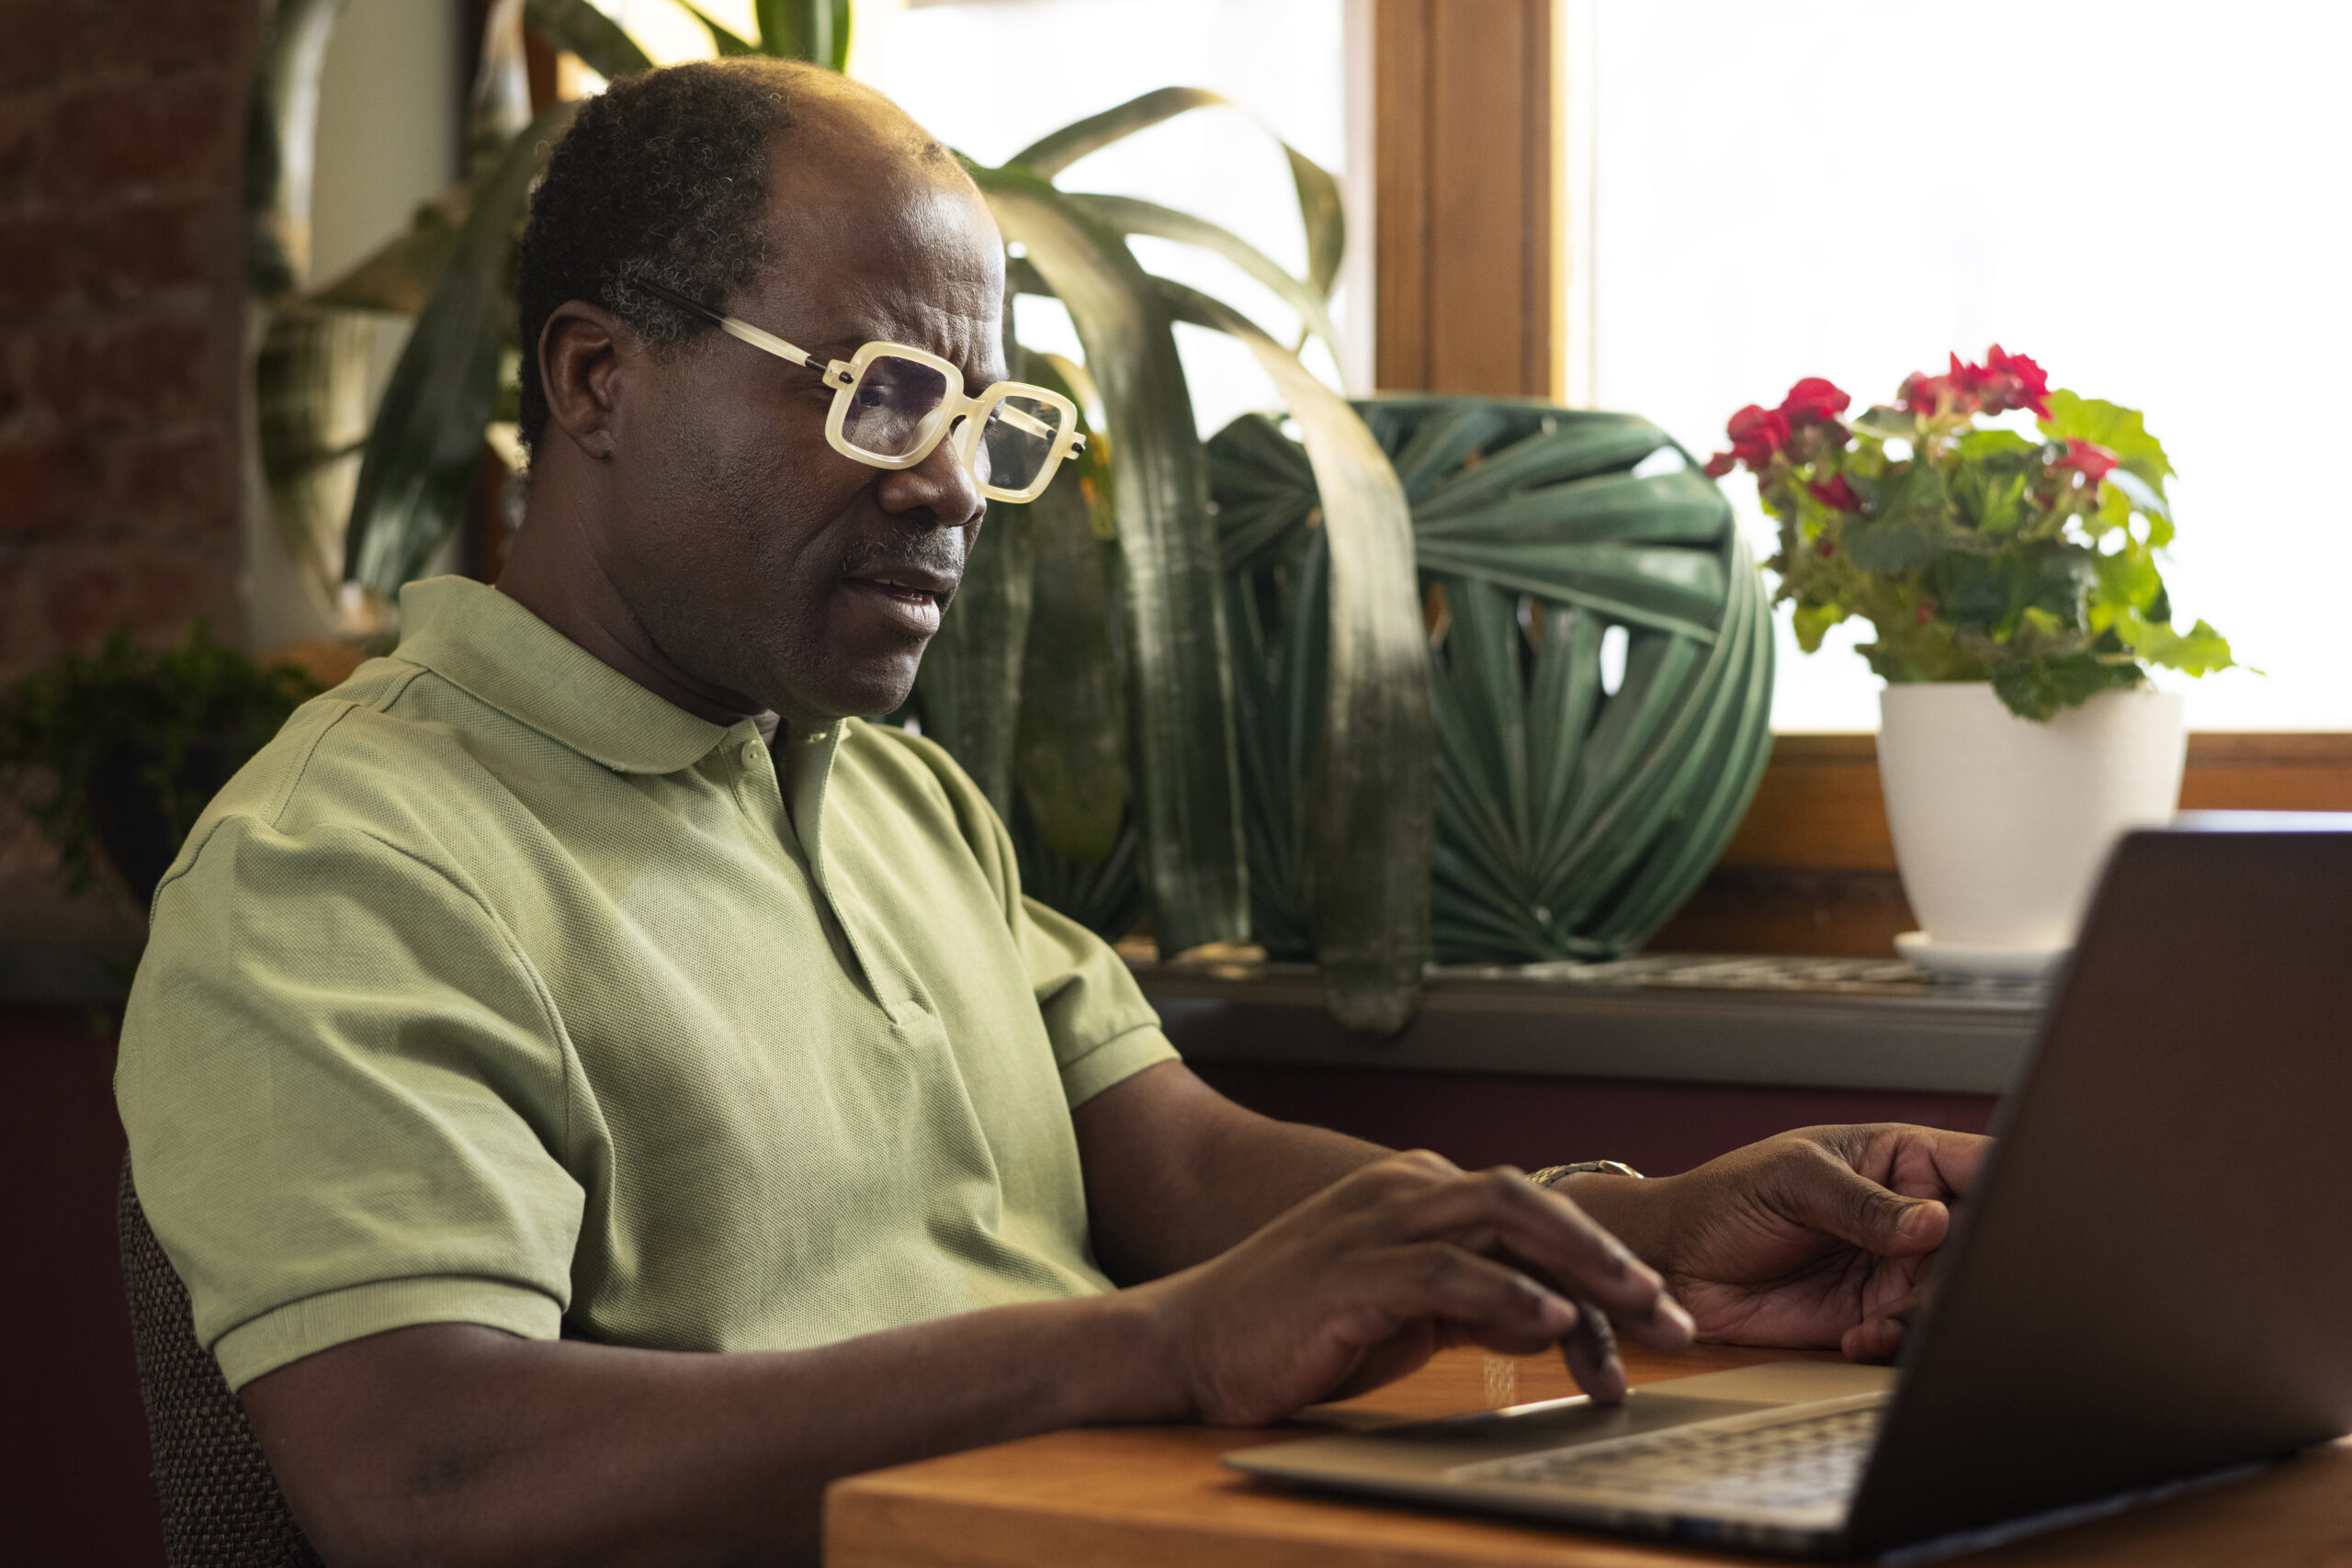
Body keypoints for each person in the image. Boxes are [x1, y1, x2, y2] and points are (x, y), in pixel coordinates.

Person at [116, 59, 1984, 1568]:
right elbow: (429, 1476)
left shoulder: (890, 792)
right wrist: (1154, 1345)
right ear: (598, 379)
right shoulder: (342, 864)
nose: (948, 487)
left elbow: (1173, 1156)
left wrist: (1636, 1237)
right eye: (879, 394)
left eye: (985, 418)